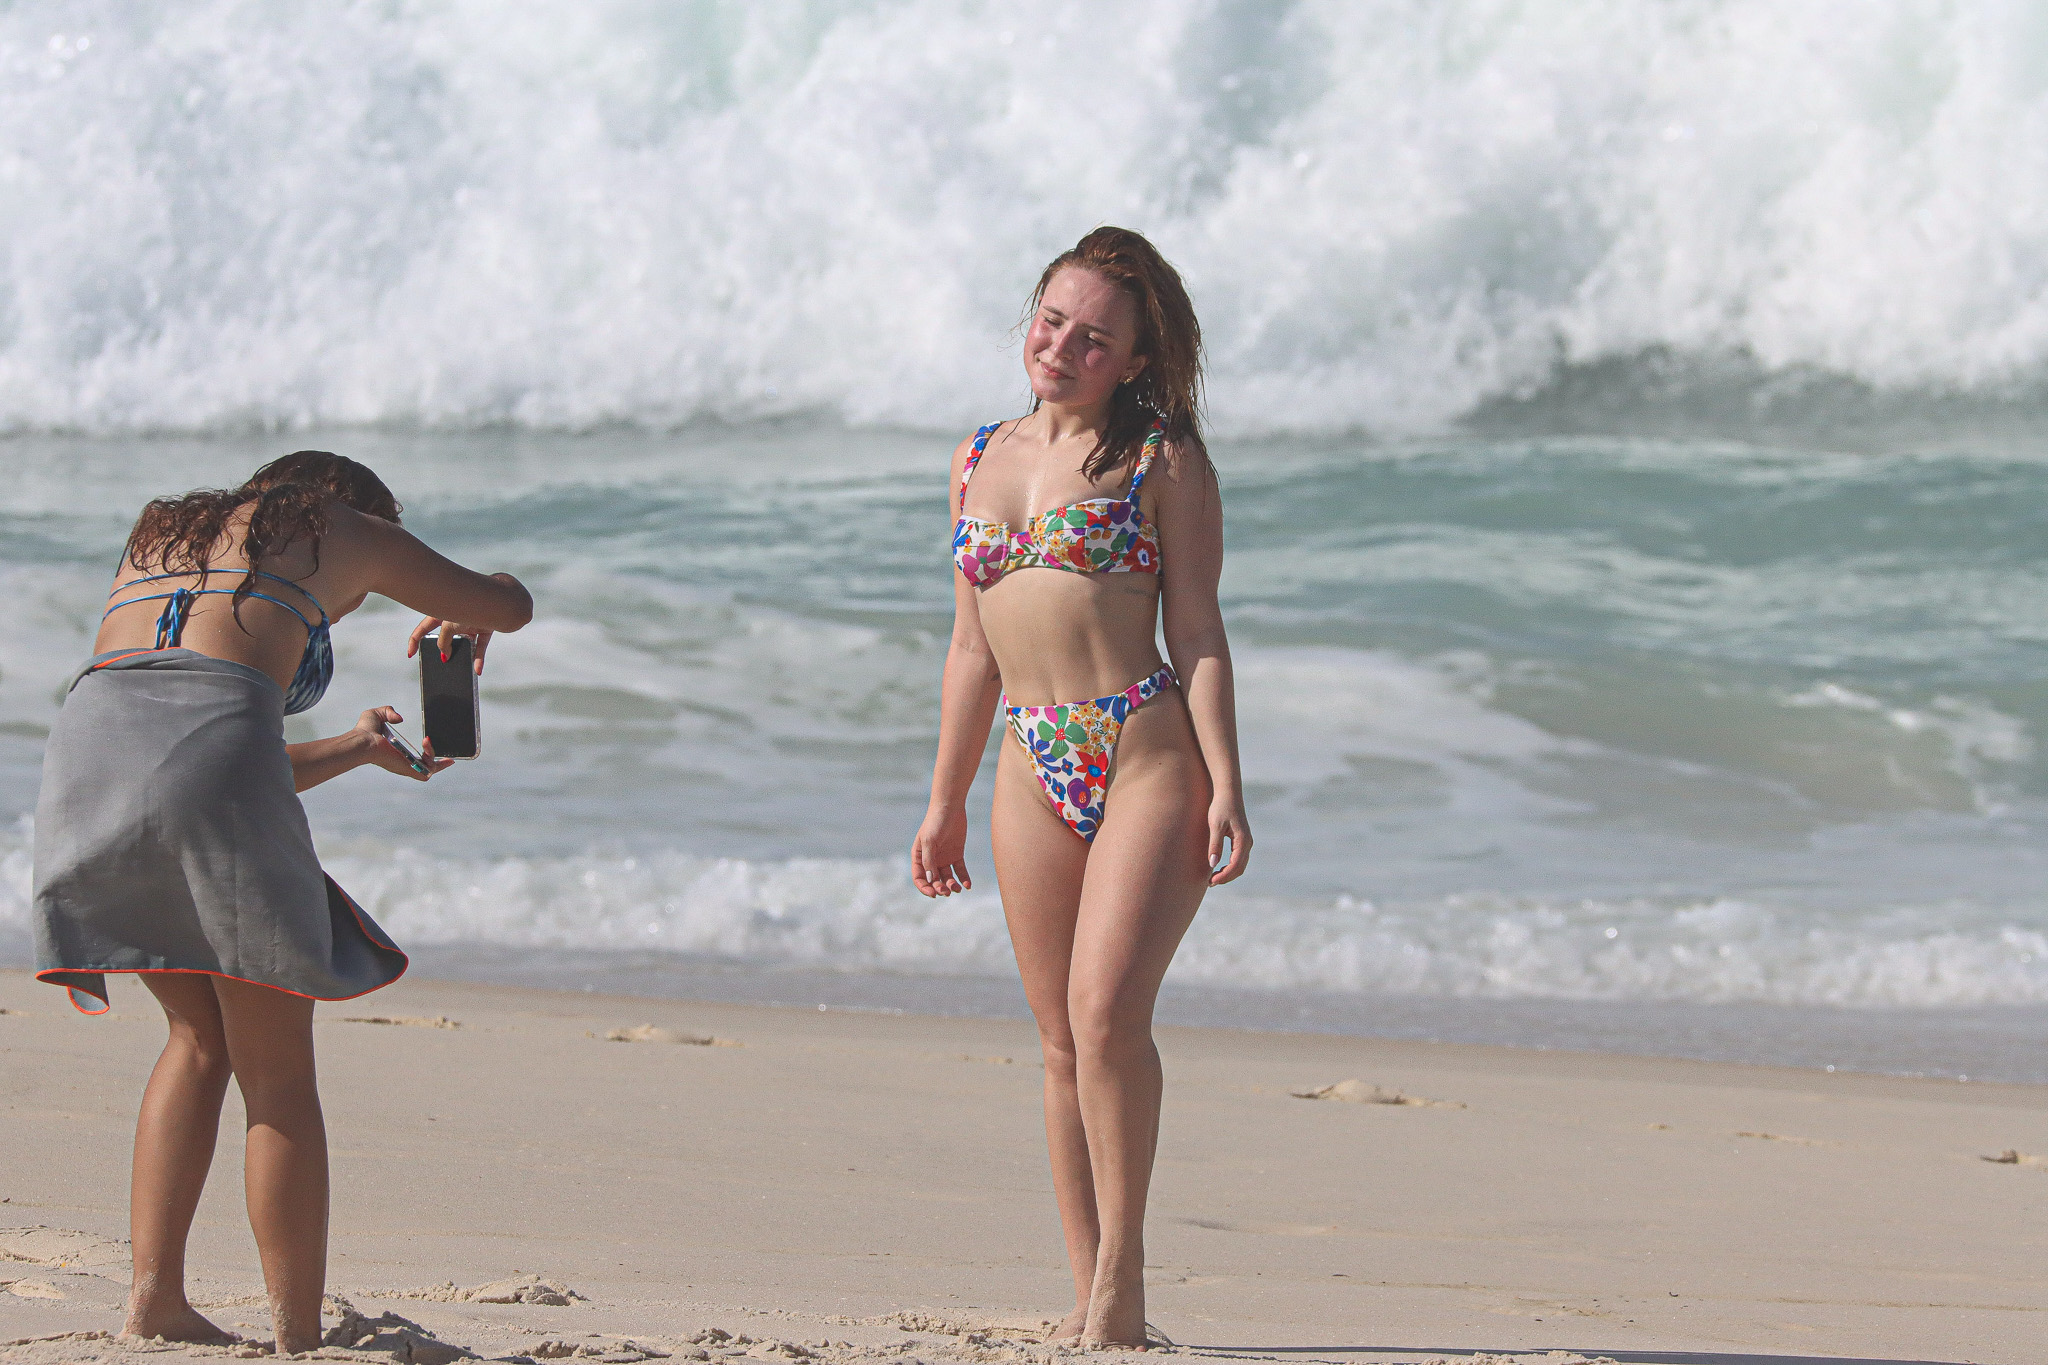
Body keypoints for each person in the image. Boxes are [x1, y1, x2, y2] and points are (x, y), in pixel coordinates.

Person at [31, 451, 532, 1354]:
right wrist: (477, 608)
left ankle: (154, 1306)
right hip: (202, 758)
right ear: (352, 510)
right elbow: (512, 604)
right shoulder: (344, 529)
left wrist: (349, 746)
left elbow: (185, 744)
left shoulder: (163, 529)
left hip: (83, 757)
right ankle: (299, 1336)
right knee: (278, 1074)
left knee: (194, 1038)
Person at [910, 228, 1252, 1346]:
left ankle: (1125, 1278)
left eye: (1092, 338)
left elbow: (1196, 630)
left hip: (1142, 745)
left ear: (1134, 361)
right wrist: (942, 798)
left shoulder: (1160, 460)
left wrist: (1225, 785)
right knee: (1057, 1039)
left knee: (1108, 1017)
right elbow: (970, 649)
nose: (1060, 346)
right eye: (1050, 320)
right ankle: (1085, 1293)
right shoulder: (976, 458)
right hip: (1026, 755)